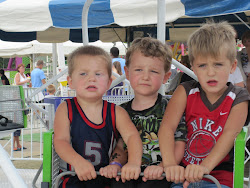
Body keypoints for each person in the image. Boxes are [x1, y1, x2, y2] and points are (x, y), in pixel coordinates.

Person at [158, 21, 250, 188]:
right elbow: (167, 127)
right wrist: (170, 163)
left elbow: (229, 135)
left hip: (220, 176)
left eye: (218, 64)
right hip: (183, 173)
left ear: (233, 66)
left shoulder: (239, 97)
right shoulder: (184, 91)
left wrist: (204, 167)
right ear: (193, 67)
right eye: (202, 65)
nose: (210, 72)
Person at [100, 37, 187, 188]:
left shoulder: (171, 108)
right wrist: (116, 164)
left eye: (153, 71)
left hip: (162, 173)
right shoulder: (121, 110)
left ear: (166, 77)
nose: (145, 77)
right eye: (139, 70)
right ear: (127, 72)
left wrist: (163, 167)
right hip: (129, 172)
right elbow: (120, 146)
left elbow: (179, 143)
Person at [53, 45, 143, 188]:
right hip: (73, 177)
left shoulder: (116, 112)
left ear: (108, 83)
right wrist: (77, 162)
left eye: (98, 74)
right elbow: (60, 141)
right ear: (70, 81)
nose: (91, 79)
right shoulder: (66, 109)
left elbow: (132, 137)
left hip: (107, 176)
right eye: (83, 74)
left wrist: (133, 163)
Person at [13, 63, 31, 151]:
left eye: (24, 67)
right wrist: (25, 81)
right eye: (22, 67)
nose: (23, 69)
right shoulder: (17, 75)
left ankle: (18, 144)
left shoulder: (24, 75)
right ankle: (15, 145)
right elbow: (17, 83)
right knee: (16, 122)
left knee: (19, 123)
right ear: (18, 68)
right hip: (19, 98)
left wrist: (28, 82)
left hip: (23, 98)